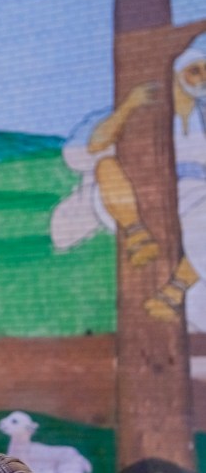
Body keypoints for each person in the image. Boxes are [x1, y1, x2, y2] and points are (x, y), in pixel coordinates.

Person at [51, 38, 206, 327]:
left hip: (192, 195)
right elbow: (91, 148)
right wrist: (129, 106)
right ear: (177, 70)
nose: (201, 79)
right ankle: (136, 234)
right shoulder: (138, 108)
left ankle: (174, 291)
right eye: (194, 70)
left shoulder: (203, 119)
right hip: (129, 194)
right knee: (106, 165)